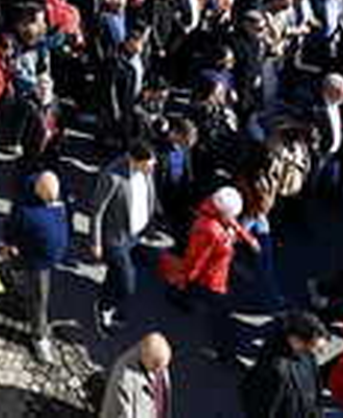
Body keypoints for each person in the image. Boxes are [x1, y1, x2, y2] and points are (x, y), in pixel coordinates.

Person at [163, 185, 260, 367]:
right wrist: (186, 278)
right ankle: (225, 352)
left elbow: (231, 222)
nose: (234, 219)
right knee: (220, 318)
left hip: (212, 275)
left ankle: (181, 295)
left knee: (194, 294)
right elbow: (196, 259)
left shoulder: (215, 210)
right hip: (211, 280)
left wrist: (246, 237)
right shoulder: (208, 230)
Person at [1, 170, 70, 363]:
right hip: (36, 261)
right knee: (40, 299)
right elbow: (11, 231)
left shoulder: (49, 189)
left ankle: (16, 283)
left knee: (22, 280)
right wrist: (9, 246)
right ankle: (39, 337)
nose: (52, 202)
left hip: (42, 257)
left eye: (54, 198)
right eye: (49, 199)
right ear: (38, 190)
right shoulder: (24, 210)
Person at [90, 141, 160, 334]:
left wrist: (149, 226)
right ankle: (105, 308)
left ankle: (105, 303)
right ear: (133, 160)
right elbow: (97, 211)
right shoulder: (112, 176)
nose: (151, 167)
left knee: (115, 274)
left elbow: (149, 196)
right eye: (148, 164)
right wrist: (96, 242)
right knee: (127, 283)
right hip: (116, 238)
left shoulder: (147, 170)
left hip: (135, 236)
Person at [240, 311, 326, 418]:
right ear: (295, 340)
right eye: (312, 345)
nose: (316, 351)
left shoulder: (306, 354)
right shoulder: (274, 370)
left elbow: (316, 391)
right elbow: (264, 411)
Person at [99, 332, 177, 418]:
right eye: (156, 368)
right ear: (144, 355)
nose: (159, 373)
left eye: (163, 368)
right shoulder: (124, 379)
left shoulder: (156, 357)